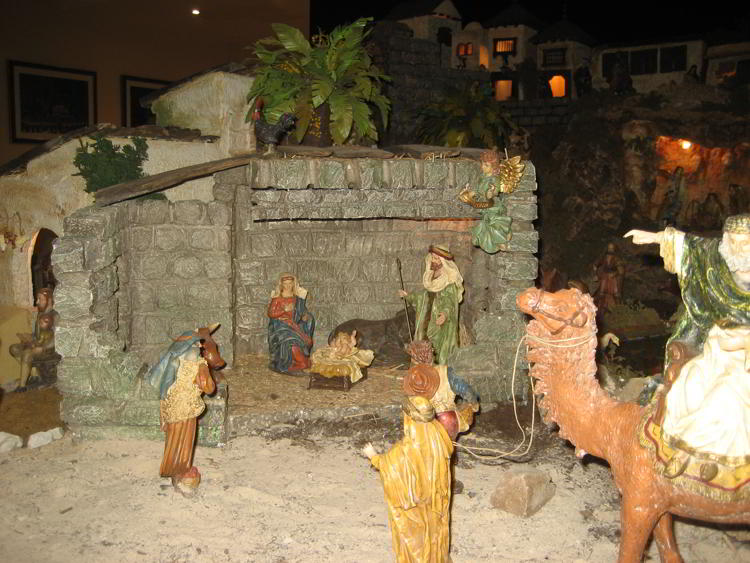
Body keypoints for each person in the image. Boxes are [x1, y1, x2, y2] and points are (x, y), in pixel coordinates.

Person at [625, 214, 750, 476]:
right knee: (687, 384)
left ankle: (713, 460)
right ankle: (683, 450)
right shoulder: (718, 259)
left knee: (725, 397)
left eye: (745, 244)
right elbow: (692, 245)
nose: (738, 251)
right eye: (733, 242)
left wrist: (744, 340)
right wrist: (655, 237)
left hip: (744, 361)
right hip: (716, 352)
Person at [362, 395, 453, 563]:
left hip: (415, 503)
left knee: (415, 538)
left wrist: (373, 456)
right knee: (435, 530)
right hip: (435, 499)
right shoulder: (439, 436)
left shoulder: (406, 449)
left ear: (409, 418)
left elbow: (389, 466)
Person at [147, 325, 225, 492]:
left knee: (178, 438)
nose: (199, 347)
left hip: (178, 406)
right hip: (183, 407)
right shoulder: (191, 364)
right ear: (187, 347)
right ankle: (179, 468)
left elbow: (166, 385)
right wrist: (203, 369)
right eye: (196, 345)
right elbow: (208, 388)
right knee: (183, 438)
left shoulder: (180, 362)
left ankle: (177, 468)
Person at [402, 340, 479, 440]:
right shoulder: (446, 372)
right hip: (448, 419)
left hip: (423, 424)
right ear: (431, 354)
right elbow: (466, 390)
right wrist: (473, 403)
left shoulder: (413, 377)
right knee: (446, 446)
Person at [399, 246, 463, 365]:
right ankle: (422, 368)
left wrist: (445, 314)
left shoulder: (449, 280)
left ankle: (437, 368)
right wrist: (408, 296)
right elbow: (423, 296)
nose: (434, 261)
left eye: (437, 258)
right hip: (426, 318)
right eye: (433, 258)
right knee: (423, 342)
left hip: (437, 320)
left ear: (443, 261)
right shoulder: (431, 277)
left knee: (436, 344)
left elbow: (450, 301)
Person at [10, 287, 58, 391]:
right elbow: (37, 334)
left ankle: (22, 387)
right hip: (38, 343)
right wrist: (28, 337)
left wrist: (43, 348)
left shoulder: (55, 316)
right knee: (14, 349)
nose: (37, 302)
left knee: (27, 354)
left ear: (49, 300)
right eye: (37, 299)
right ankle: (34, 375)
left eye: (40, 299)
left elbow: (58, 337)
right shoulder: (40, 314)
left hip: (50, 349)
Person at [267, 274, 315, 375]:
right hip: (281, 326)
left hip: (294, 325)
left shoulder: (296, 298)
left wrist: (305, 316)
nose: (288, 286)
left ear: (293, 284)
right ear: (282, 285)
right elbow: (271, 313)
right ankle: (288, 364)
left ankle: (300, 362)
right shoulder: (277, 298)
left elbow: (302, 311)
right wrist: (284, 310)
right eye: (285, 284)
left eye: (290, 283)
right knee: (290, 339)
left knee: (305, 339)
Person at [592, 242, 625, 312]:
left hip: (613, 279)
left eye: (612, 248)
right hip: (604, 277)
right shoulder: (604, 257)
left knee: (616, 295)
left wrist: (614, 274)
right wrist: (595, 271)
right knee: (601, 293)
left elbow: (621, 271)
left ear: (614, 249)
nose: (610, 249)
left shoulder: (617, 259)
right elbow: (596, 264)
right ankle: (599, 309)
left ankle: (618, 310)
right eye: (609, 248)